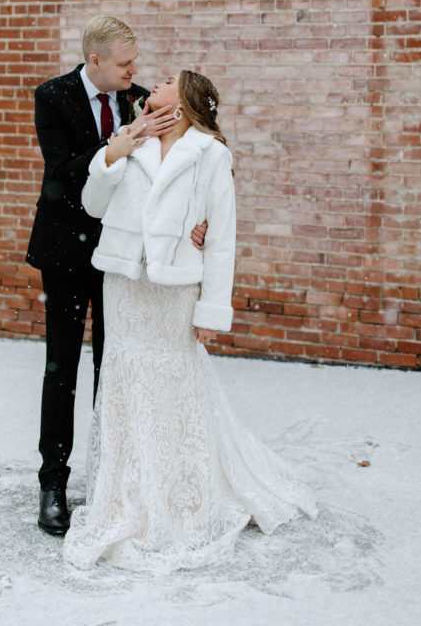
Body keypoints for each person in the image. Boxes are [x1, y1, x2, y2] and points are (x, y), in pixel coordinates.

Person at [62, 70, 317, 571]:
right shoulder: (132, 138)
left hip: (175, 289)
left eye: (165, 81)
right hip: (125, 286)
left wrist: (210, 311)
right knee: (126, 383)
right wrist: (115, 152)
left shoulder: (209, 154)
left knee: (176, 385)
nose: (152, 83)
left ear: (185, 101)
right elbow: (93, 205)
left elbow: (221, 236)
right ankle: (128, 492)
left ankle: (179, 491)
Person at [26, 17, 204, 536]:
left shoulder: (145, 99)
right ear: (95, 61)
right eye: (125, 63)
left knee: (114, 366)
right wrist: (119, 145)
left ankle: (109, 479)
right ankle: (53, 483)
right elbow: (59, 171)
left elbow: (186, 164)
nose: (136, 71)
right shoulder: (52, 97)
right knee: (61, 370)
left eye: (136, 62)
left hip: (124, 258)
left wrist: (200, 221)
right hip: (64, 253)